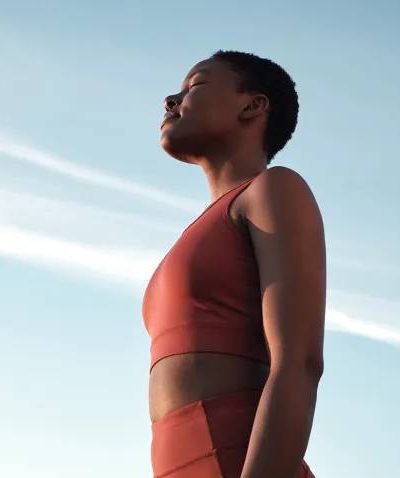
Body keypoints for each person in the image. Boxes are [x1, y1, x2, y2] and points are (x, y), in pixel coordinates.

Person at [143, 50, 326, 478]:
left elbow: (299, 362)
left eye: (196, 85)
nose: (172, 99)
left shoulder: (273, 189)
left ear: (253, 105)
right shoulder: (196, 232)